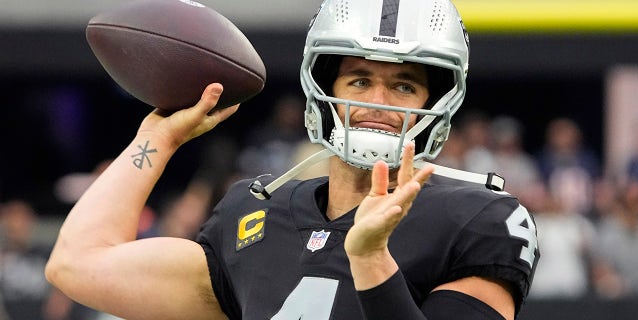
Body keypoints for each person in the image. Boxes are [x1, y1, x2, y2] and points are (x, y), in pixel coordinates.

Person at [45, 1, 539, 319]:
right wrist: (155, 140)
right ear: (322, 90)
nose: (379, 101)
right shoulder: (255, 212)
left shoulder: (479, 218)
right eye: (359, 80)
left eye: (404, 85)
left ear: (437, 103)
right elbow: (78, 264)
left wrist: (369, 259)